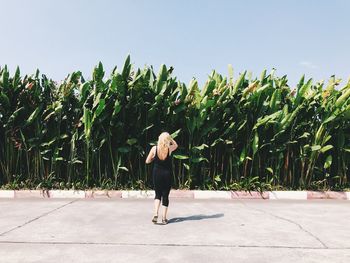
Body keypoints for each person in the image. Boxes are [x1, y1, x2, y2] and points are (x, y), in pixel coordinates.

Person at [145, 132, 178, 225]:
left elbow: (147, 161)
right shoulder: (169, 149)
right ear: (167, 140)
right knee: (165, 195)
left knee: (157, 194)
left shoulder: (154, 148)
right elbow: (176, 145)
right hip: (167, 174)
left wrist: (154, 159)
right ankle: (164, 219)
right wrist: (170, 138)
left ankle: (155, 213)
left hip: (157, 174)